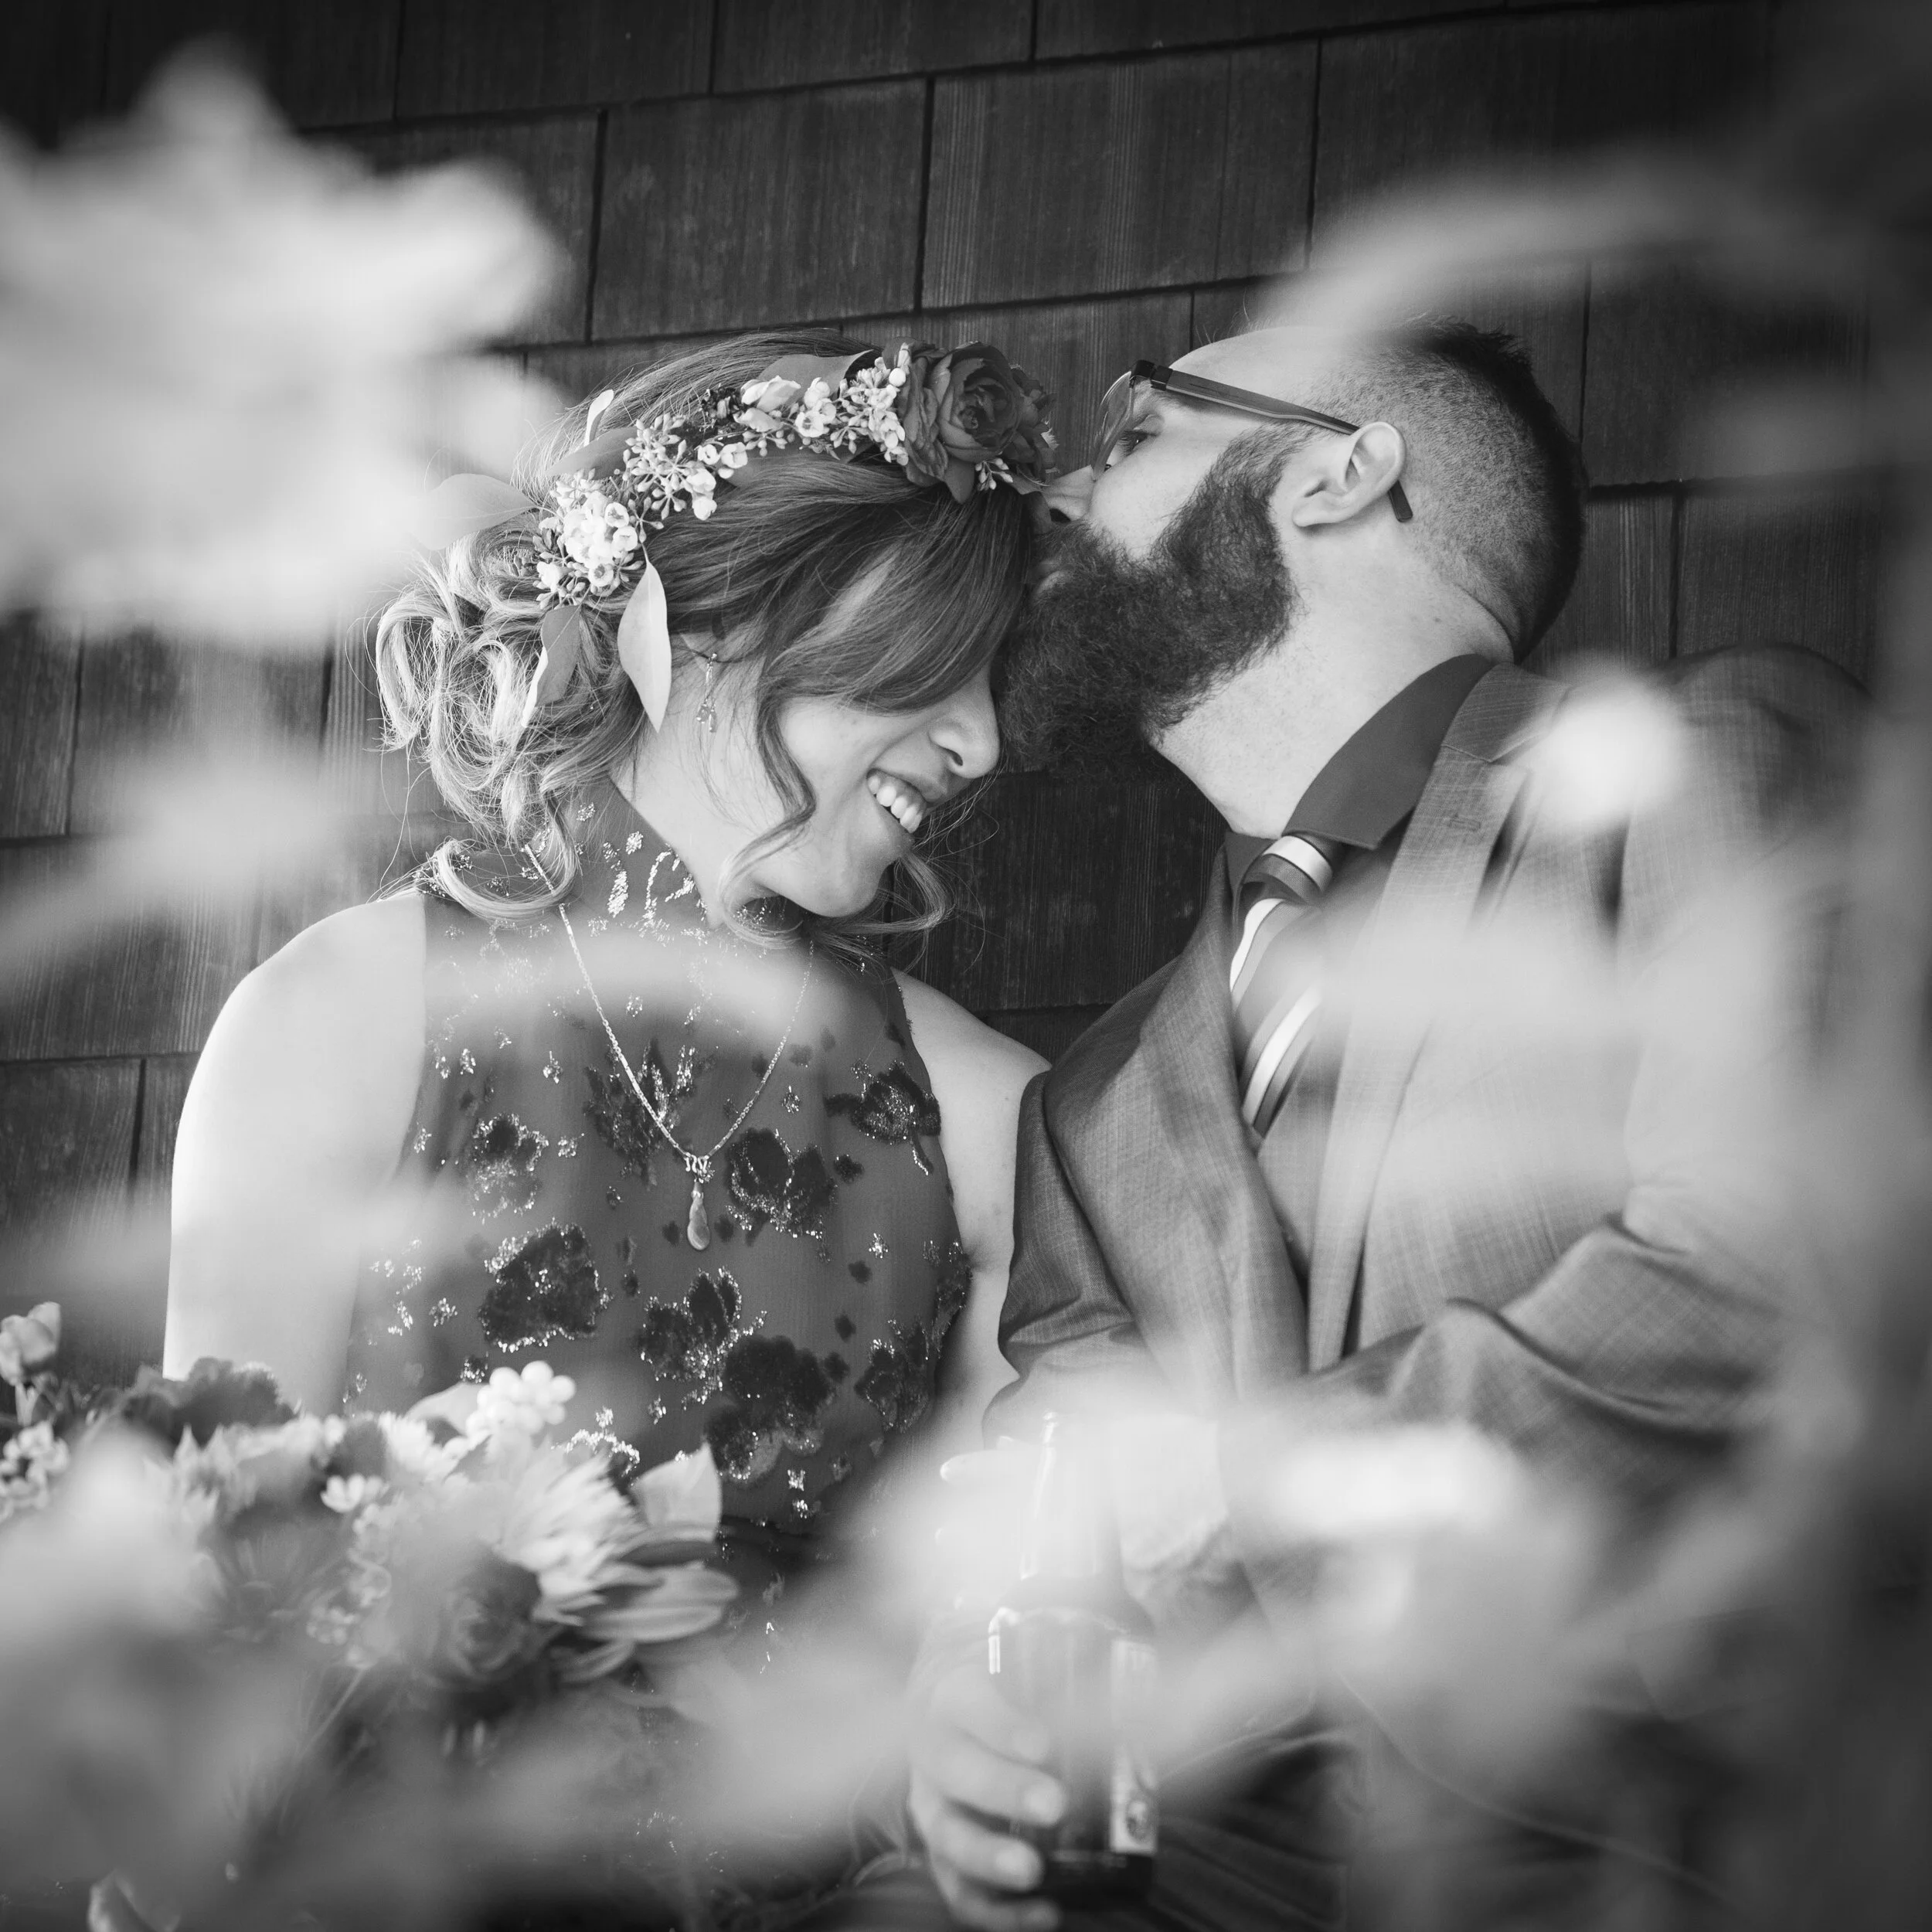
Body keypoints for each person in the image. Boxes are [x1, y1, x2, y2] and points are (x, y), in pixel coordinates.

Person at [854, 319, 1861, 1930]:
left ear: (1337, 473)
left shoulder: (1705, 773)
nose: (1057, 490)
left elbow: (1774, 1274)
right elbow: (1062, 1522)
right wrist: (979, 1707)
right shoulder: (1091, 1102)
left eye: (1134, 428)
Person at [164, 330, 1053, 1645]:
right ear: (716, 618)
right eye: (938, 653)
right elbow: (209, 1609)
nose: (981, 739)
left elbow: (983, 1652)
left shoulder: (985, 1122)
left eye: (991, 674)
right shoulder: (338, 1022)